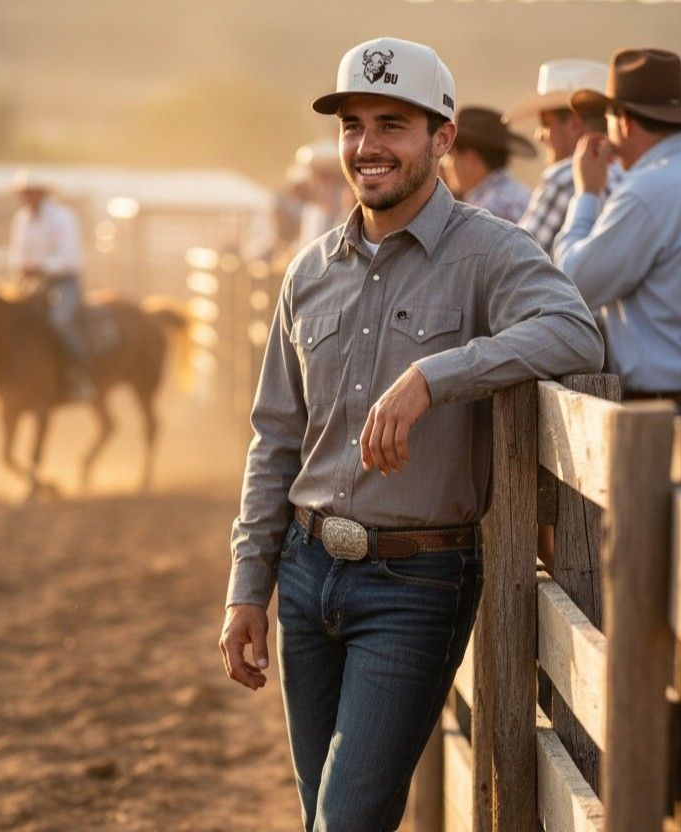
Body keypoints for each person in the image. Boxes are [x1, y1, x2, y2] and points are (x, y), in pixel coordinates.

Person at [219, 36, 603, 832]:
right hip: (304, 566)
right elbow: (274, 439)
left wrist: (437, 374)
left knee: (348, 819)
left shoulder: (488, 252)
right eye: (353, 125)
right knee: (319, 812)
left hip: (416, 585)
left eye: (393, 124)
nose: (368, 146)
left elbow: (576, 332)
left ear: (443, 139)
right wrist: (246, 584)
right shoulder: (309, 270)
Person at [554, 48, 681, 400]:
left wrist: (587, 193)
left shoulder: (647, 191)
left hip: (666, 409)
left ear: (625, 122)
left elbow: (572, 284)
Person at [504, 59, 622, 254]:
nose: (539, 135)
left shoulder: (564, 178)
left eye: (545, 124)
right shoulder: (627, 173)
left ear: (575, 126)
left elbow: (516, 256)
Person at [8, 169, 93, 400]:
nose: (29, 197)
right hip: (34, 284)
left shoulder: (63, 217)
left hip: (65, 282)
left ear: (43, 194)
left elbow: (69, 257)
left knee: (60, 321)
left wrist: (40, 267)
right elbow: (17, 254)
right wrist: (23, 270)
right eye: (26, 193)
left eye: (34, 192)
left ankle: (80, 371)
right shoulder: (22, 219)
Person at [443, 106, 535, 222]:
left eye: (450, 156)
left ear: (471, 158)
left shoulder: (485, 210)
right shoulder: (521, 193)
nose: (446, 165)